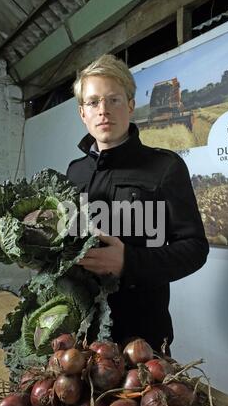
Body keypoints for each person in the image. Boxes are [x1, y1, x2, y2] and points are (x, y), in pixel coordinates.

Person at [66, 54, 209, 352]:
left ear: (130, 105)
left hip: (142, 335)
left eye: (113, 100)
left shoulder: (165, 167)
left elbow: (195, 248)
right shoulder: (74, 171)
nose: (103, 110)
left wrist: (128, 262)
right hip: (83, 332)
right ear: (82, 112)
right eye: (93, 102)